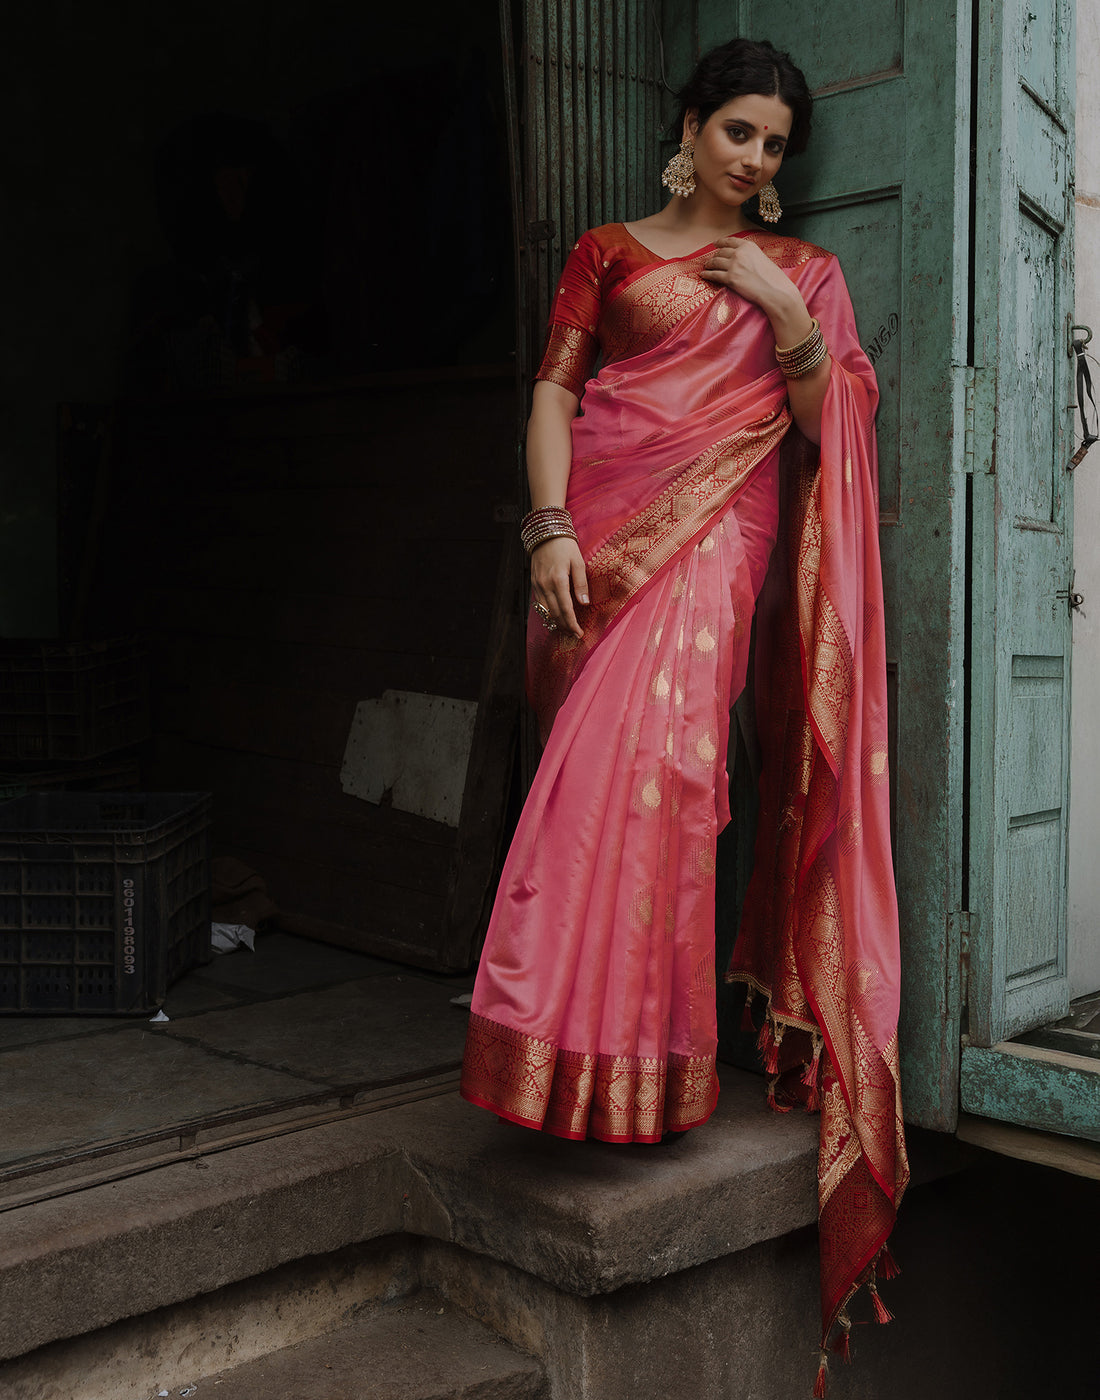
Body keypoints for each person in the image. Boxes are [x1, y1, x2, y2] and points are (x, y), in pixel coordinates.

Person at [459, 38, 908, 1380]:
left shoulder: (808, 276)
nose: (758, 159)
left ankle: (648, 1073)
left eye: (778, 145)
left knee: (667, 775)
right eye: (741, 133)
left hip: (720, 536)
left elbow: (833, 436)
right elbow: (555, 387)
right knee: (585, 785)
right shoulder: (606, 251)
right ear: (692, 125)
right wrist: (547, 531)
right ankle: (558, 1057)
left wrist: (782, 312)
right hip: (596, 534)